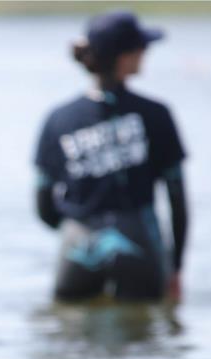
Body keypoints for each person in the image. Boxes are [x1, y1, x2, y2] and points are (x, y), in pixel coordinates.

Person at [33, 11, 189, 302]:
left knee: (72, 339)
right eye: (141, 47)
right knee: (145, 340)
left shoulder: (58, 119)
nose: (146, 53)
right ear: (124, 57)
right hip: (139, 242)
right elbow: (177, 201)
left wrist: (75, 228)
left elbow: (43, 207)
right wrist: (176, 268)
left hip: (77, 245)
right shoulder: (156, 114)